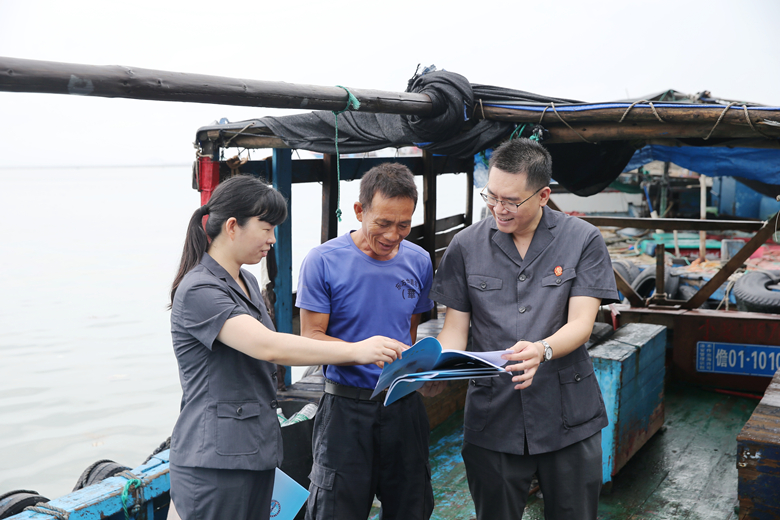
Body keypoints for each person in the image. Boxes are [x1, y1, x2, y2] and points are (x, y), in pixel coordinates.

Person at [168, 175, 406, 520]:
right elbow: (268, 346)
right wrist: (356, 350)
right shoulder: (199, 289)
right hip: (215, 459)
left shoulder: (246, 280)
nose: (272, 239)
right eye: (266, 228)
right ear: (233, 226)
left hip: (255, 450)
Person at [429, 138, 619, 520]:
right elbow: (455, 330)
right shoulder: (465, 246)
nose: (499, 209)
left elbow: (582, 323)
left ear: (544, 195)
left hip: (568, 416)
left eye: (511, 201)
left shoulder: (582, 239)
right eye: (491, 196)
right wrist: (435, 365)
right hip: (492, 416)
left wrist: (542, 350)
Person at [296, 163, 435, 520]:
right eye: (383, 223)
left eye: (404, 224)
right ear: (360, 211)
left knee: (412, 506)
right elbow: (310, 338)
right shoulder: (323, 261)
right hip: (344, 409)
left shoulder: (419, 261)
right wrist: (361, 352)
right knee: (335, 510)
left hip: (403, 406)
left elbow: (411, 330)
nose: (393, 235)